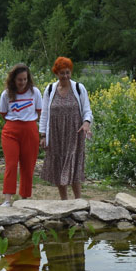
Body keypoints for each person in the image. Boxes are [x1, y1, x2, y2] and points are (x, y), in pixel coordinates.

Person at [39, 57, 93, 200]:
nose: (65, 76)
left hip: (74, 133)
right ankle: (64, 201)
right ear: (56, 73)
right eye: (62, 73)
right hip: (56, 134)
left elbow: (87, 110)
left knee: (74, 165)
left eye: (68, 72)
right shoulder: (50, 89)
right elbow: (44, 113)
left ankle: (78, 200)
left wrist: (86, 123)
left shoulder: (78, 88)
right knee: (58, 166)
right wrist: (43, 135)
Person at [0, 63, 42, 207]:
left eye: (25, 79)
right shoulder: (7, 94)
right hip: (11, 130)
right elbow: (3, 113)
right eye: (19, 80)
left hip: (30, 130)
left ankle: (24, 198)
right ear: (13, 80)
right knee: (11, 164)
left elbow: (39, 112)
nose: (22, 82)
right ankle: (7, 199)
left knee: (28, 166)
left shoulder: (35, 92)